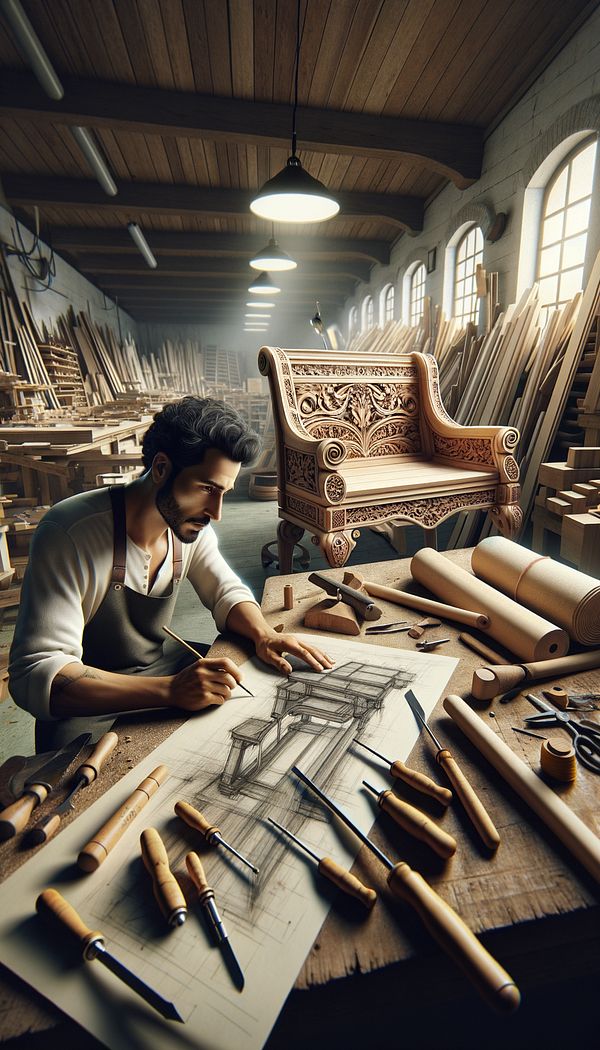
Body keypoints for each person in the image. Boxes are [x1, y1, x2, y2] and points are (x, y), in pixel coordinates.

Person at [9, 396, 333, 752]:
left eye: (223, 492)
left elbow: (226, 592)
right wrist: (170, 690)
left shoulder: (189, 527)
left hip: (161, 670)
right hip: (89, 701)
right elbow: (36, 675)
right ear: (161, 468)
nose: (217, 512)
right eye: (207, 489)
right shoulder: (71, 531)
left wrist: (264, 634)